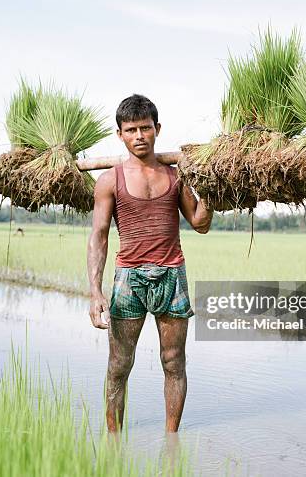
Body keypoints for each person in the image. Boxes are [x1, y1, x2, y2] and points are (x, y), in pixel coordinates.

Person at [86, 94, 213, 433]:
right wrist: (95, 291)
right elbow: (99, 235)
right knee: (118, 365)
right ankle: (114, 441)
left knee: (174, 361)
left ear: (157, 129)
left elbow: (200, 223)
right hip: (129, 279)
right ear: (120, 135)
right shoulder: (110, 180)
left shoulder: (175, 177)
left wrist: (215, 188)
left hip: (172, 275)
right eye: (131, 130)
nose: (139, 136)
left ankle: (171, 440)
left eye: (145, 128)